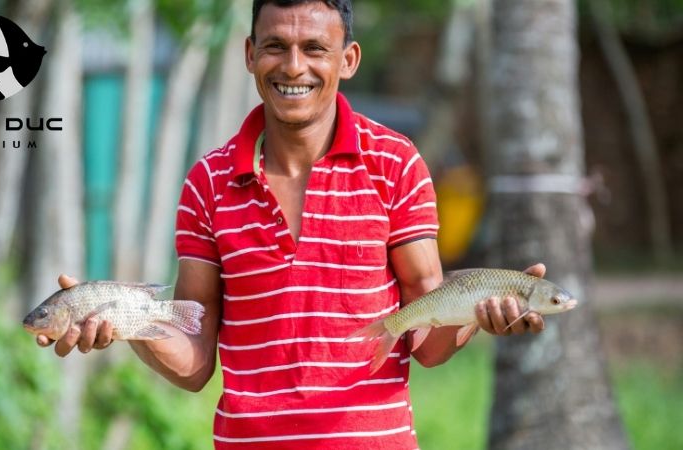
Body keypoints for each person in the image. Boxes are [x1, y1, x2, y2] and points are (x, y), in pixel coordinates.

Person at [36, 1, 546, 448]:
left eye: (315, 48)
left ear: (348, 60)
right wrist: (123, 323)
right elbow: (194, 360)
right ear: (249, 54)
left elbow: (428, 343)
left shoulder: (395, 164)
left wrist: (479, 315)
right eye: (276, 46)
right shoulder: (208, 183)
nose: (294, 66)